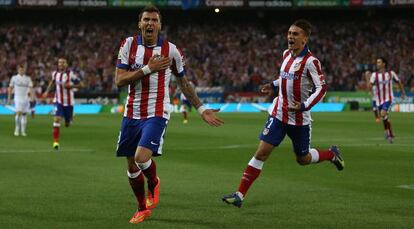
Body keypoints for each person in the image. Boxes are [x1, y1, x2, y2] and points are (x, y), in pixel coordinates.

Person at [114, 5, 224, 224]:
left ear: (160, 25)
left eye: (154, 20)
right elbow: (119, 80)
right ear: (139, 23)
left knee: (141, 157)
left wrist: (201, 109)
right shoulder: (128, 44)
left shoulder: (171, 50)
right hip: (132, 111)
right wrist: (147, 69)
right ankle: (141, 208)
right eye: (146, 19)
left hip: (157, 112)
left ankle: (153, 183)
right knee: (131, 165)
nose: (150, 23)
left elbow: (183, 82)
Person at [222, 19, 345, 208]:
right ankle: (239, 195)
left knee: (302, 159)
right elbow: (284, 78)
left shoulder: (311, 62)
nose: (290, 36)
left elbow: (322, 89)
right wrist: (272, 85)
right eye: (289, 33)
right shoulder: (286, 54)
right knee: (261, 153)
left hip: (299, 119)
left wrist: (303, 106)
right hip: (279, 114)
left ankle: (331, 154)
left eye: (295, 34)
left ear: (305, 39)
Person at [43, 58, 84, 150]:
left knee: (67, 124)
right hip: (58, 101)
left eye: (63, 62)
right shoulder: (55, 74)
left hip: (69, 102)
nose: (61, 64)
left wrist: (71, 86)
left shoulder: (71, 74)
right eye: (59, 62)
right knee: (56, 119)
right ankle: (55, 142)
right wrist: (47, 91)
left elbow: (82, 85)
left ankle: (69, 118)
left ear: (66, 64)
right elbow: (52, 82)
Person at [369, 57, 406, 143]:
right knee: (384, 116)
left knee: (383, 114)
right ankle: (388, 132)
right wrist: (369, 84)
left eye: (379, 62)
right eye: (377, 62)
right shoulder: (374, 75)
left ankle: (388, 134)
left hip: (388, 98)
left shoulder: (391, 73)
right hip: (379, 100)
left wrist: (403, 93)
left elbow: (398, 82)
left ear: (384, 64)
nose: (377, 64)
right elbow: (370, 85)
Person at [7, 64, 35, 136]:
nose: (22, 71)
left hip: (25, 98)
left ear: (24, 70)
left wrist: (32, 98)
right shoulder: (14, 78)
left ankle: (23, 131)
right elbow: (10, 88)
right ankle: (16, 129)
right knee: (18, 113)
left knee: (24, 114)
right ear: (18, 70)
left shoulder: (28, 78)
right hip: (18, 97)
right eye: (20, 69)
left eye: (23, 70)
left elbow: (31, 89)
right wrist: (9, 99)